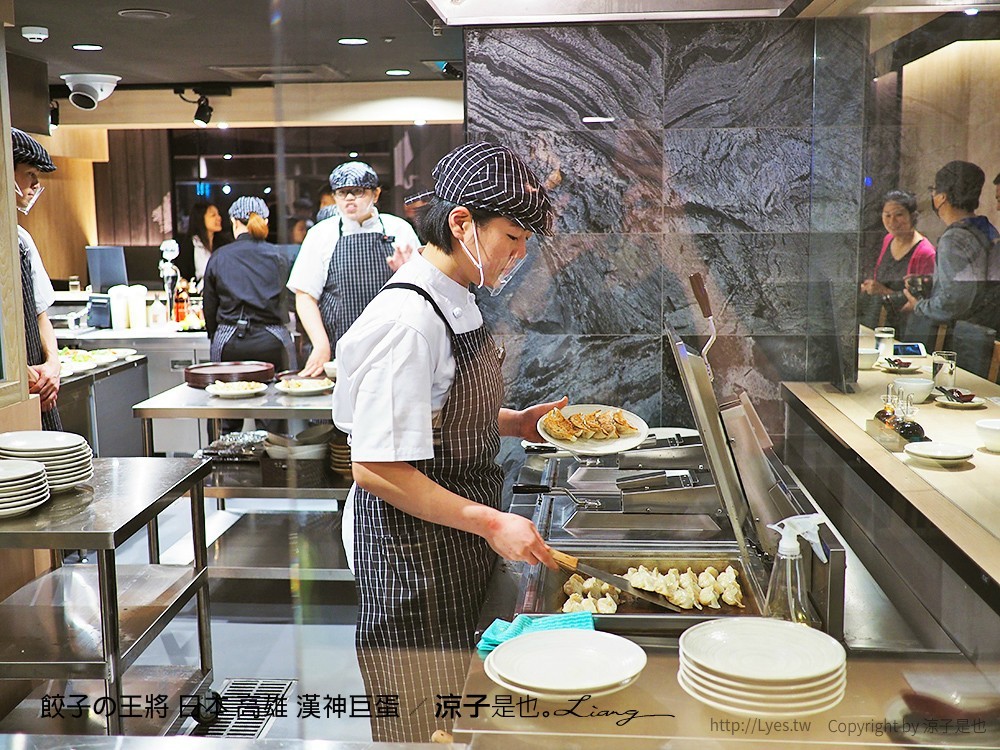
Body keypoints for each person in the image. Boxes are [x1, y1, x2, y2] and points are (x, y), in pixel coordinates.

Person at [332, 141, 562, 741]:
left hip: (450, 537)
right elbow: (376, 468)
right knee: (414, 720)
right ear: (462, 222)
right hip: (409, 553)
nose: (520, 254)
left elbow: (438, 411)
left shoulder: (454, 295)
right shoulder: (407, 321)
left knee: (449, 716)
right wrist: (491, 523)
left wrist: (514, 421)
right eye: (512, 237)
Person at [286, 161, 420, 376]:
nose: (349, 198)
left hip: (392, 348)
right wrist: (321, 345)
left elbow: (422, 291)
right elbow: (305, 295)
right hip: (338, 349)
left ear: (375, 194)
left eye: (357, 191)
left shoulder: (399, 229)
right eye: (342, 193)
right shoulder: (320, 235)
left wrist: (409, 275)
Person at [902, 160, 1000, 339]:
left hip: (963, 340)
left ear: (942, 197)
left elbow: (954, 301)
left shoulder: (953, 239)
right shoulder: (986, 229)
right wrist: (932, 281)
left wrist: (919, 306)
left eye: (934, 190)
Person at [202, 196, 296, 371]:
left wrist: (214, 334)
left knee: (225, 394)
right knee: (283, 394)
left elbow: (209, 305)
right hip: (273, 340)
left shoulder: (219, 256)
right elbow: (291, 300)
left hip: (229, 340)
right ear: (265, 222)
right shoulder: (280, 256)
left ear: (234, 222)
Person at [12, 129, 62, 431]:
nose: (35, 184)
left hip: (40, 388)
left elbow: (42, 316)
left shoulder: (21, 240)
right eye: (29, 173)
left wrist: (52, 367)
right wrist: (21, 377)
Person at [859, 190, 936, 330]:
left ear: (912, 216)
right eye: (887, 215)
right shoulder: (888, 239)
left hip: (906, 328)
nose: (892, 221)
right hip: (881, 320)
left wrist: (884, 292)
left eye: (899, 215)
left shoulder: (925, 253)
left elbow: (924, 302)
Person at [177, 201, 226, 291]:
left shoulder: (225, 243)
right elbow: (183, 276)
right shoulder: (189, 244)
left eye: (218, 214)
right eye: (213, 215)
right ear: (200, 218)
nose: (219, 218)